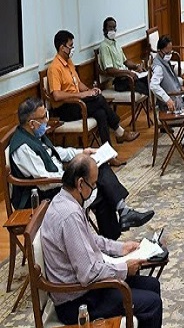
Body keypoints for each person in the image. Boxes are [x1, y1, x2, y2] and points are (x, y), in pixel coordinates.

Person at [41, 155, 163, 328]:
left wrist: (121, 248)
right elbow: (89, 273)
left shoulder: (65, 200)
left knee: (152, 286)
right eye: (94, 184)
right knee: (152, 304)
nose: (95, 189)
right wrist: (124, 267)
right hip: (78, 302)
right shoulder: (69, 215)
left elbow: (92, 239)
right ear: (80, 183)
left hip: (88, 290)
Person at [9, 98, 153, 239]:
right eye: (43, 117)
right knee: (99, 191)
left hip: (57, 182)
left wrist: (82, 152)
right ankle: (116, 229)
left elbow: (55, 152)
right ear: (32, 123)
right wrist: (71, 176)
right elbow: (44, 181)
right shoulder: (23, 148)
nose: (46, 121)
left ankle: (121, 217)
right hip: (40, 198)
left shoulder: (33, 135)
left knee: (97, 168)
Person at [48, 30, 139, 145]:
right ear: (62, 47)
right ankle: (119, 131)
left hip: (77, 103)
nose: (72, 49)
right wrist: (80, 95)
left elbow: (78, 83)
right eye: (70, 46)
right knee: (100, 99)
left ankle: (109, 154)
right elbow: (56, 95)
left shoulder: (69, 62)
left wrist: (89, 91)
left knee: (101, 113)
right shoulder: (54, 68)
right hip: (64, 109)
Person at [97, 17, 148, 95]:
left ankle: (158, 104)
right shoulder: (104, 46)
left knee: (149, 80)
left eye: (114, 28)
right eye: (110, 27)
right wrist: (128, 73)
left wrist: (136, 66)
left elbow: (126, 61)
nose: (112, 30)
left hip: (127, 77)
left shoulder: (116, 43)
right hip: (119, 81)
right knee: (144, 87)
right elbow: (110, 70)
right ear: (104, 30)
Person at [150, 35, 184, 112]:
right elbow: (153, 85)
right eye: (167, 52)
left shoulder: (165, 61)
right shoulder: (158, 67)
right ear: (159, 51)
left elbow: (170, 78)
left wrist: (182, 81)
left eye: (171, 52)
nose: (169, 55)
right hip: (173, 105)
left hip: (179, 97)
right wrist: (167, 99)